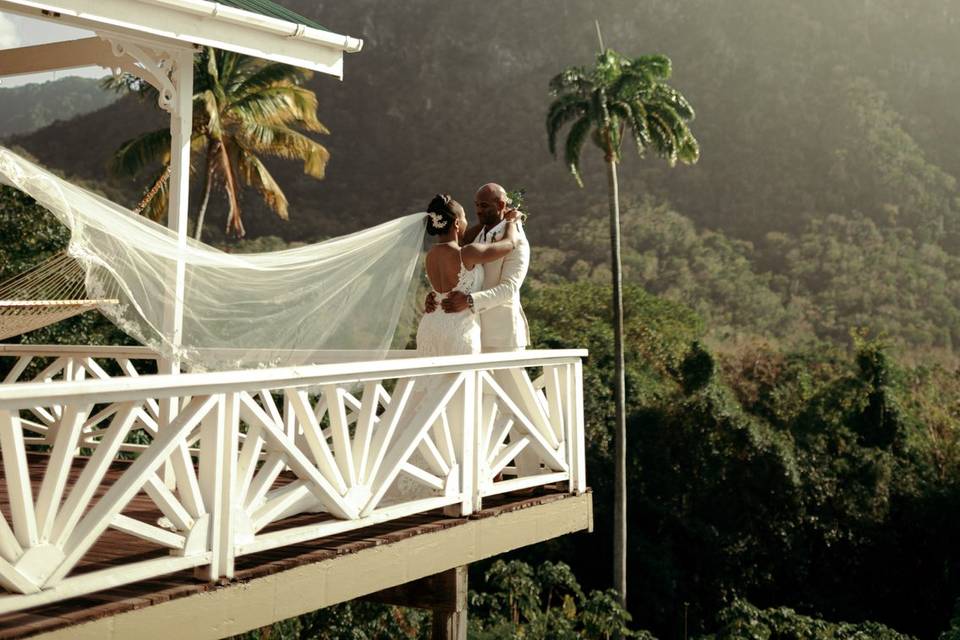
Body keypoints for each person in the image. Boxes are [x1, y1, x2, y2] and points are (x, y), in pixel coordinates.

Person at [425, 183, 530, 353]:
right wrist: (436, 296)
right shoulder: (475, 239)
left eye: (484, 205)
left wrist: (469, 301)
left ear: (501, 205)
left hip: (501, 336)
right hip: (467, 330)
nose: (478, 211)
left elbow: (509, 288)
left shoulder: (517, 239)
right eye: (476, 205)